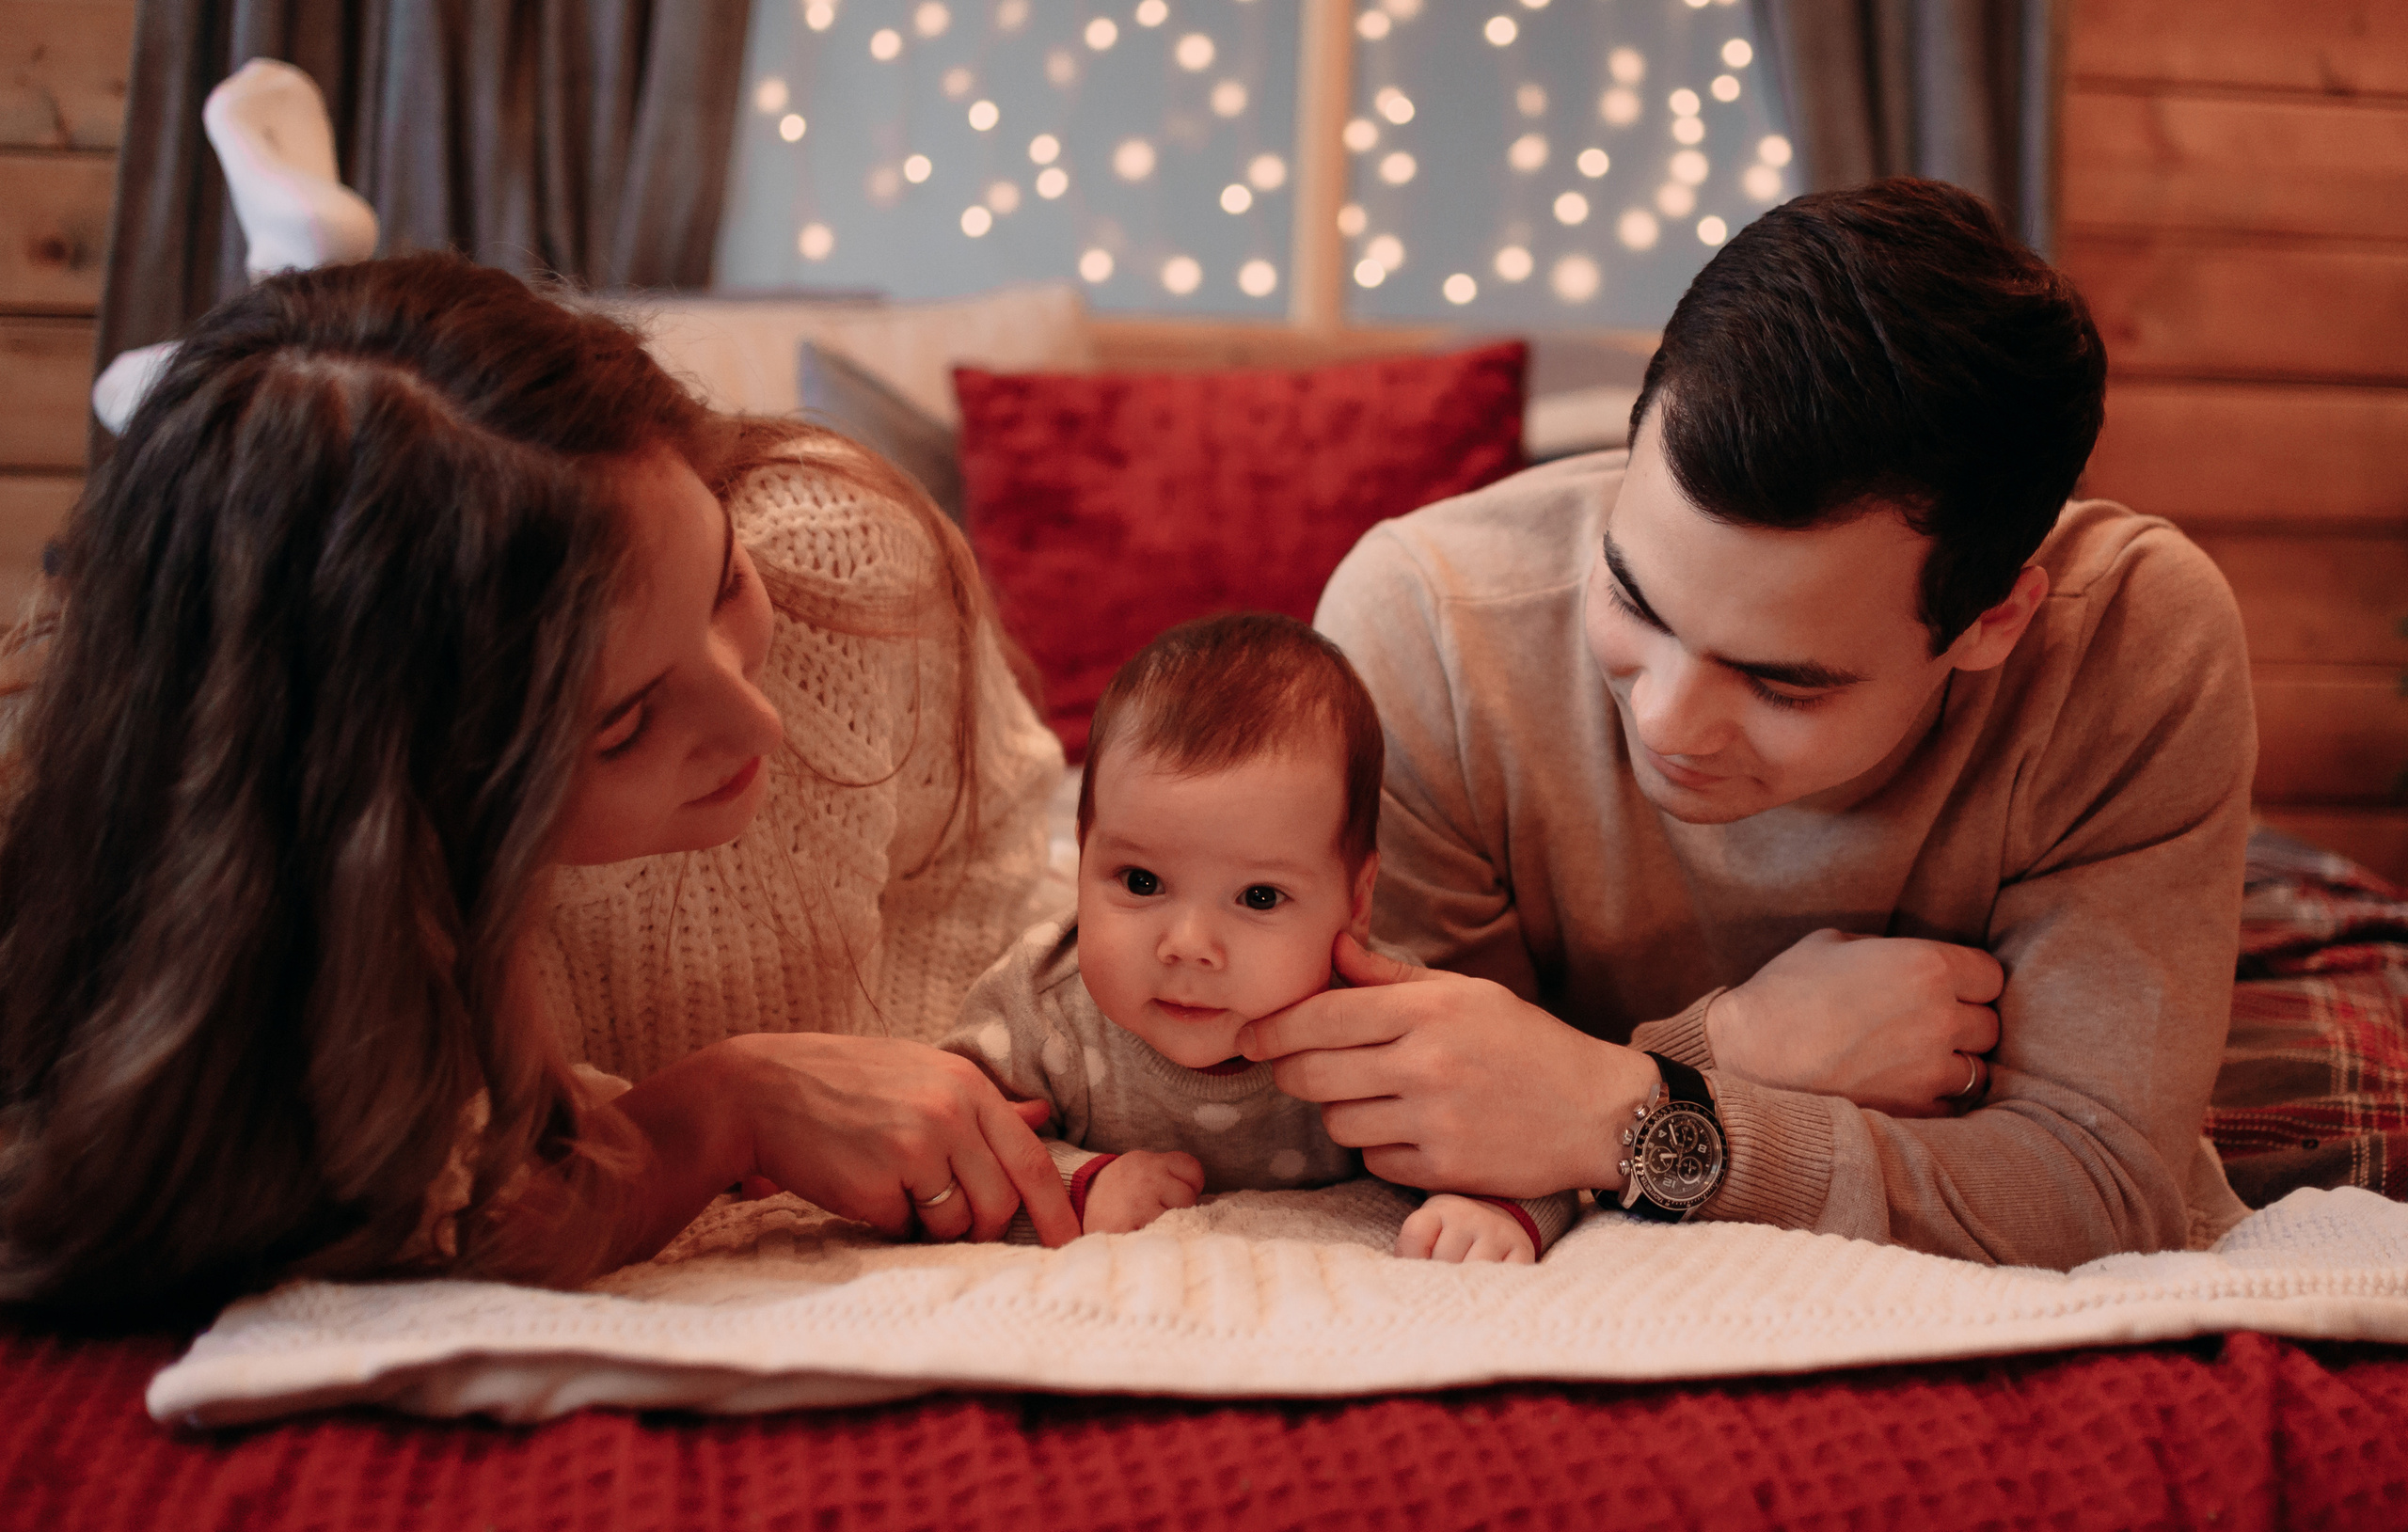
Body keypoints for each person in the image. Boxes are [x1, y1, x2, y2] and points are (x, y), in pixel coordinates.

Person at [0, 256, 1081, 1319]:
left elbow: (1000, 878)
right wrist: (717, 1111)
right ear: (394, 816)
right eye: (619, 723)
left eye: (722, 582)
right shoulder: (268, 918)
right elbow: (416, 1205)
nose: (758, 724)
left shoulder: (836, 561)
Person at [1257, 178, 2254, 1269]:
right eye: (1632, 597)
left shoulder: (2128, 643)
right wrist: (1733, 1047)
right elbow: (1433, 1117)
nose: (1668, 718)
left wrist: (1624, 1111)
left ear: (1991, 621)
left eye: (1785, 683)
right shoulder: (1427, 627)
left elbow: (2099, 1192)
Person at [943, 614, 1579, 1261]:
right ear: (1082, 860)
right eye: (1140, 881)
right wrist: (1079, 1186)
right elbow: (946, 1155)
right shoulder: (1043, 1008)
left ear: (1356, 903)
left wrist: (1495, 1212)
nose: (1188, 944)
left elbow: (1535, 1143)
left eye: (1258, 897)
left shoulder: (1382, 1026)